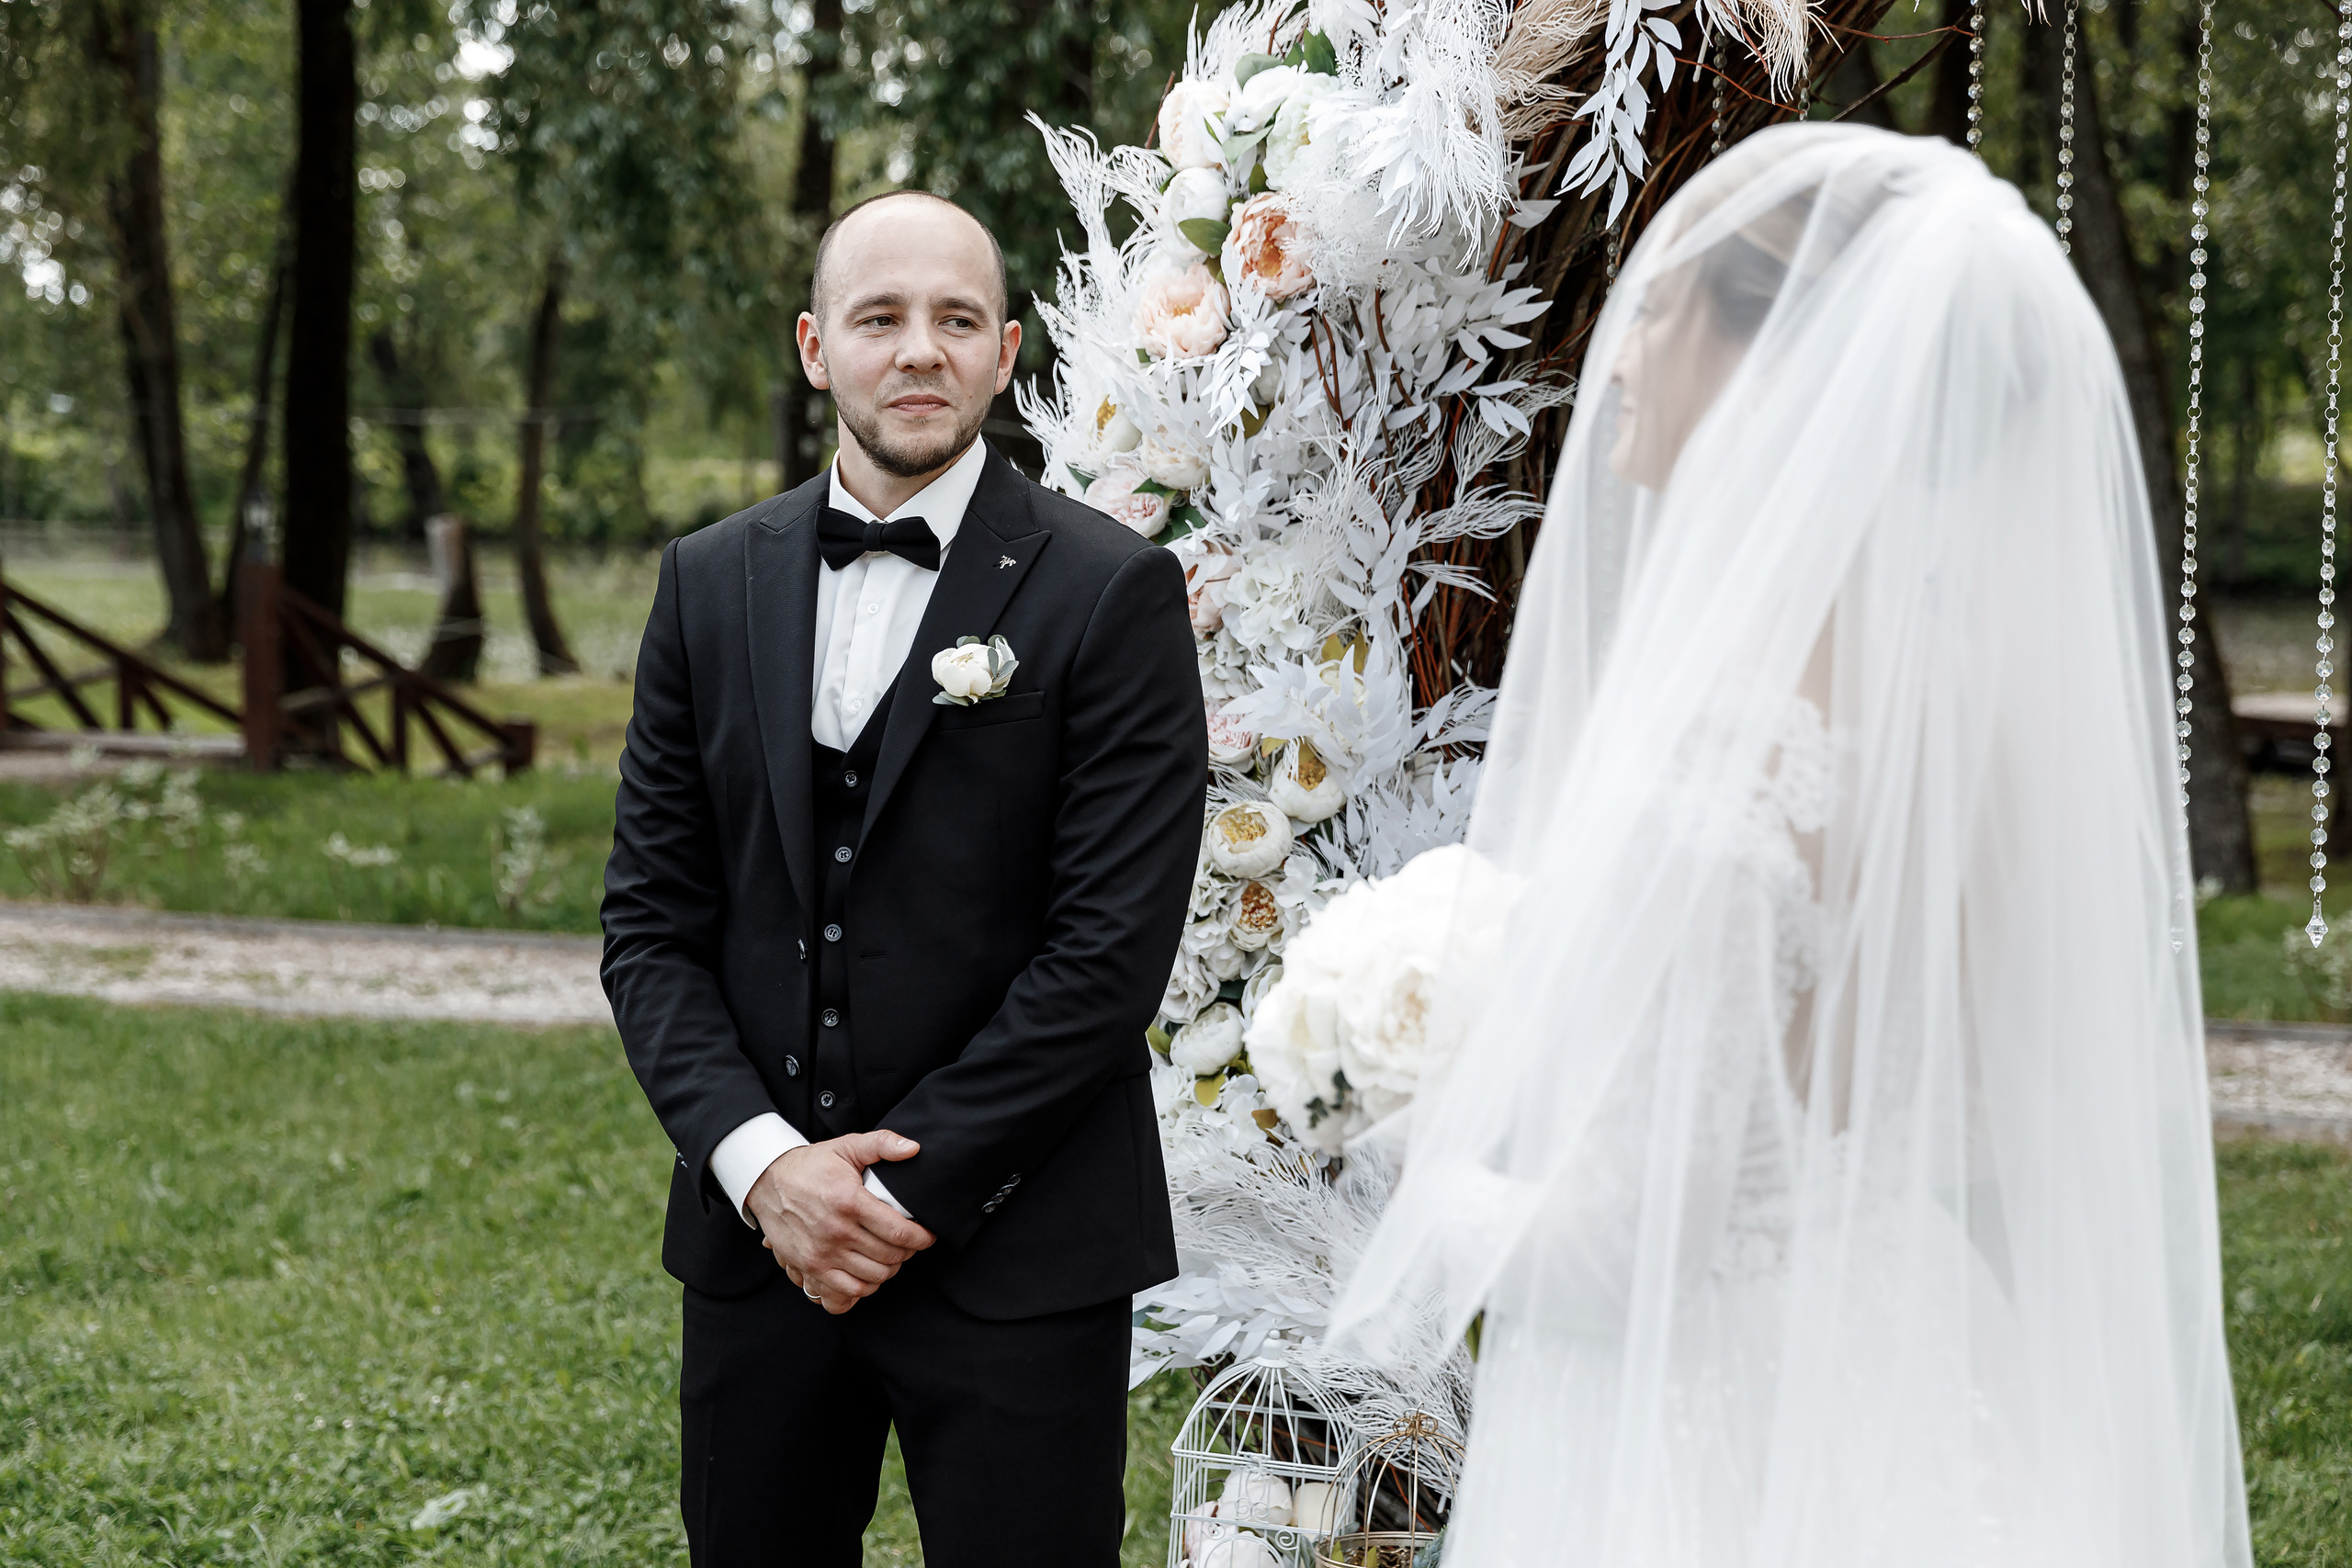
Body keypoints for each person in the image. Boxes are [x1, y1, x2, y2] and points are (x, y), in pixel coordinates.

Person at [1331, 125, 2253, 1568]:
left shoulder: (1731, 729)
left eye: (1650, 312)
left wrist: (1408, 1172)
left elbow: (1639, 1236)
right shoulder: (1950, 686)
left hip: (1716, 1419)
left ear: (1768, 357)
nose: (1618, 359)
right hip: (1905, 1339)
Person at [602, 188, 1206, 1567]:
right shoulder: (704, 583)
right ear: (818, 348)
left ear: (1006, 354)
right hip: (761, 1255)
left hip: (1020, 1254)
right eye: (881, 318)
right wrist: (769, 1174)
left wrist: (885, 1203)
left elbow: (1106, 959)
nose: (918, 350)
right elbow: (648, 930)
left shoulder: (1111, 592)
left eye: (956, 319)